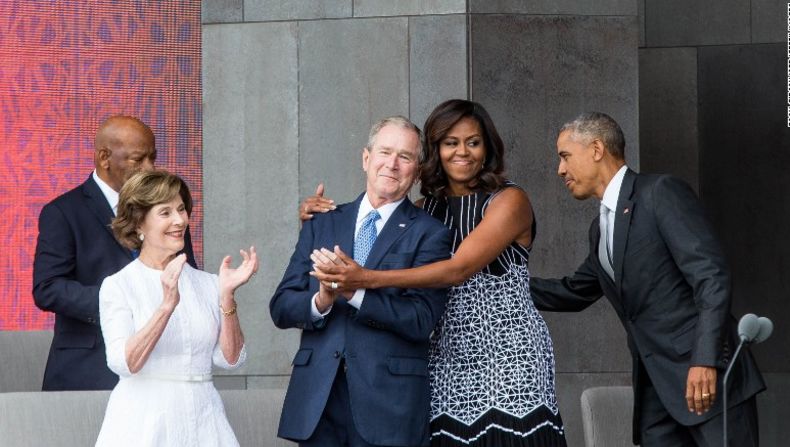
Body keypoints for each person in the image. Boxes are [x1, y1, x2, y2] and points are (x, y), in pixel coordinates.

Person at [306, 100, 566, 446]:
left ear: (487, 147)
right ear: (435, 151)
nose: (463, 152)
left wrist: (366, 278)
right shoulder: (419, 210)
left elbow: (458, 269)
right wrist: (319, 221)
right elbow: (367, 244)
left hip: (509, 355)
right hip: (443, 354)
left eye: (473, 142)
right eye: (450, 143)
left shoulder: (510, 200)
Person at [529, 112, 765, 446]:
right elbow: (573, 292)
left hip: (706, 382)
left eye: (565, 156)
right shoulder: (600, 229)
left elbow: (711, 276)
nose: (560, 170)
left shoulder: (660, 193)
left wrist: (704, 359)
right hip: (656, 392)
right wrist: (497, 285)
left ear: (596, 148)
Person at [270, 116, 452, 447]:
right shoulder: (322, 222)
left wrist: (354, 291)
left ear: (417, 170)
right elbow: (281, 306)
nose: (392, 164)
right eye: (384, 152)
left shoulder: (431, 234)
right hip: (318, 403)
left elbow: (421, 320)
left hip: (389, 407)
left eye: (405, 157)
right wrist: (322, 300)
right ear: (366, 159)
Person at [33, 115, 196, 391]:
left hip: (162, 367)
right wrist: (120, 300)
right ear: (104, 158)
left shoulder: (169, 214)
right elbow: (48, 288)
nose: (149, 168)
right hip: (89, 370)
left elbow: (187, 274)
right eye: (138, 159)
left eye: (152, 158)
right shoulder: (63, 212)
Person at [95, 170, 256, 446]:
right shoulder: (119, 286)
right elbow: (124, 362)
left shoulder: (208, 283)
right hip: (143, 420)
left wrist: (227, 296)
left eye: (181, 209)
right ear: (138, 224)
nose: (180, 220)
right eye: (165, 212)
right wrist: (167, 304)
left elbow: (230, 360)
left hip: (205, 417)